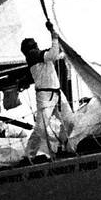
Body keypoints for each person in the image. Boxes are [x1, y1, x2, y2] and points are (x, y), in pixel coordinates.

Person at [21, 22, 74, 157]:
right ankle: (29, 155)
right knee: (41, 128)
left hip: (56, 93)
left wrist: (58, 40)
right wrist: (54, 36)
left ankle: (63, 146)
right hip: (45, 95)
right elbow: (52, 54)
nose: (36, 47)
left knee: (69, 121)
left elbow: (56, 53)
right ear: (30, 49)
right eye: (34, 46)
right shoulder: (33, 56)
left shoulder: (39, 56)